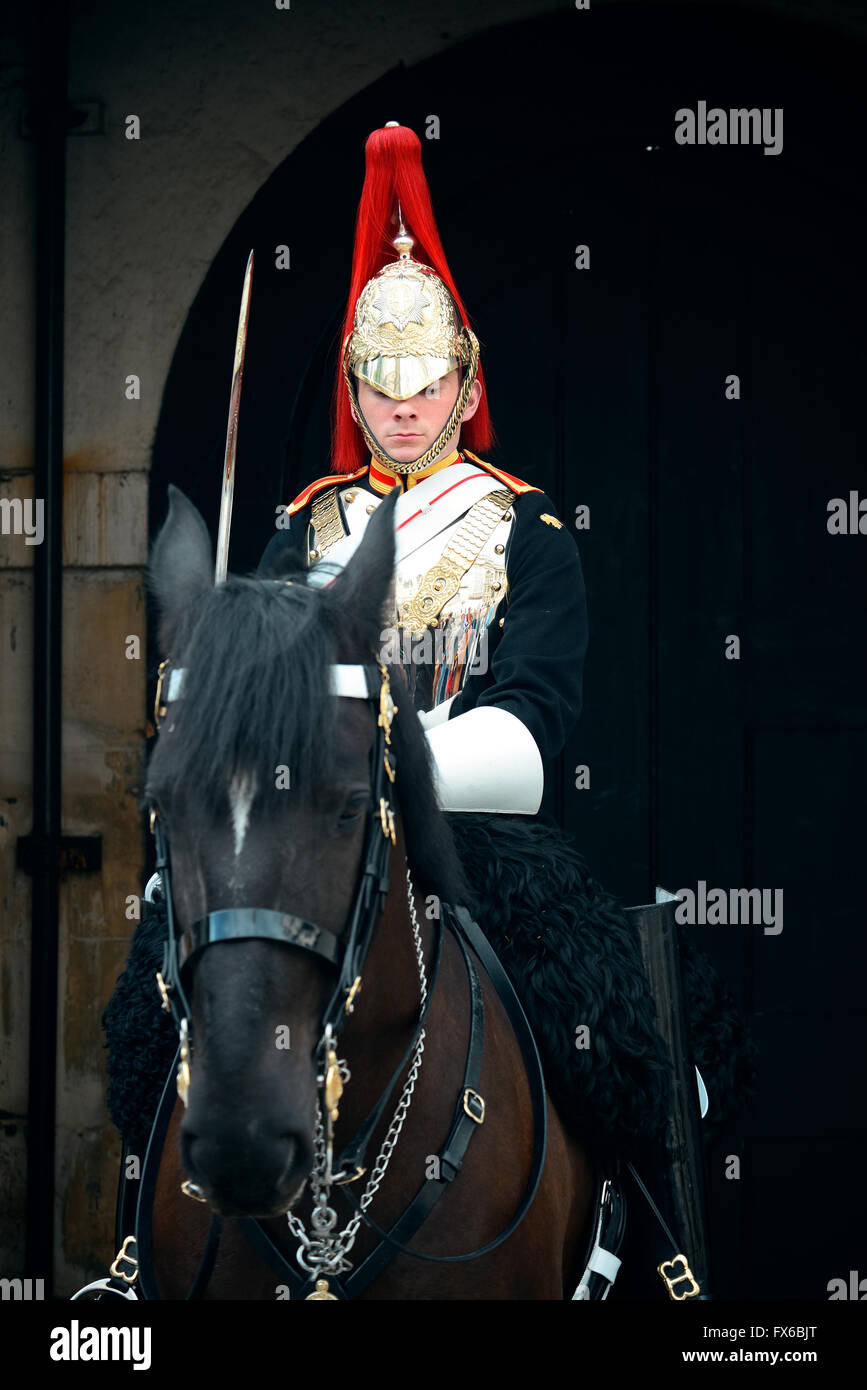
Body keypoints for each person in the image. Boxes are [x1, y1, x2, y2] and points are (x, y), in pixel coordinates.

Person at [257, 122, 674, 1161]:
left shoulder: (524, 526)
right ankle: (140, 1246)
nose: (405, 413)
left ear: (468, 384)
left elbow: (535, 717)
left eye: (428, 386)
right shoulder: (302, 524)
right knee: (165, 979)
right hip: (314, 834)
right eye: (384, 391)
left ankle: (658, 1230)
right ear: (355, 391)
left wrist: (388, 769)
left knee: (606, 1024)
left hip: (473, 837)